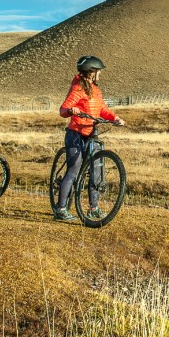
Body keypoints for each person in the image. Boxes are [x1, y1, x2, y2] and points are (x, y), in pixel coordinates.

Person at [53, 55, 125, 222]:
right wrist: (72, 110)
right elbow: (63, 109)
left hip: (92, 132)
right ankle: (61, 209)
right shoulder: (78, 88)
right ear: (91, 72)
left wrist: (115, 118)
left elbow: (102, 109)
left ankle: (94, 208)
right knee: (74, 170)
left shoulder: (96, 90)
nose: (100, 74)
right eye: (98, 71)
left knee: (96, 172)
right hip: (76, 133)